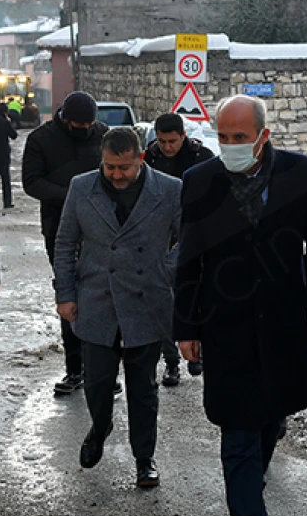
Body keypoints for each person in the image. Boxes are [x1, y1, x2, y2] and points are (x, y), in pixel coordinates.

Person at [173, 95, 307, 516]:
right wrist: (185, 324)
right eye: (222, 137)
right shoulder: (199, 182)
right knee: (239, 440)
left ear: (263, 136)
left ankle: (259, 463)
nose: (229, 146)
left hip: (283, 325)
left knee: (270, 422)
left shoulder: (299, 174)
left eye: (239, 138)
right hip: (225, 329)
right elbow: (189, 258)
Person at [52, 126, 181, 488]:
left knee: (143, 387)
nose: (116, 174)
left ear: (140, 158)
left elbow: (189, 239)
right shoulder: (82, 187)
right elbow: (65, 243)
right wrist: (65, 294)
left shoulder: (169, 191)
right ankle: (100, 425)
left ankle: (144, 458)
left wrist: (164, 271)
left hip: (147, 299)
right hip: (97, 299)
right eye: (110, 167)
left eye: (124, 167)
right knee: (97, 382)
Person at [22, 90, 110, 396]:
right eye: (79, 125)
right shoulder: (41, 139)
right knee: (70, 293)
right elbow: (31, 182)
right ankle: (74, 370)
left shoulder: (102, 134)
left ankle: (103, 371)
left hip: (102, 228)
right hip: (60, 228)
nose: (85, 131)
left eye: (90, 126)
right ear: (65, 119)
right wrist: (73, 197)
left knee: (103, 296)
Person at [144, 112, 216, 387]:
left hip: (196, 232)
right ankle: (171, 361)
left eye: (172, 141)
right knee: (164, 301)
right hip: (161, 235)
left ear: (183, 136)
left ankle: (198, 350)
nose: (167, 147)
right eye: (162, 141)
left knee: (197, 294)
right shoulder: (150, 158)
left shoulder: (201, 157)